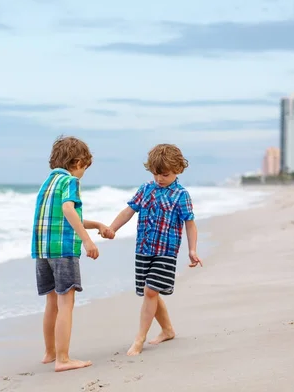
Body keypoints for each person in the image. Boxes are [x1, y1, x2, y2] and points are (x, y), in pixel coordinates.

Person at [108, 143, 203, 356]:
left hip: (166, 251)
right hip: (143, 249)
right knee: (151, 291)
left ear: (178, 169)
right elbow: (129, 211)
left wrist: (192, 250)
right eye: (156, 174)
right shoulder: (146, 189)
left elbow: (190, 223)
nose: (159, 179)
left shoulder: (181, 195)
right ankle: (168, 330)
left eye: (165, 174)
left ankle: (139, 340)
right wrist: (112, 228)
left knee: (151, 291)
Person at [31, 135, 114, 372]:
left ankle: (49, 353)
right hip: (64, 250)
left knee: (52, 302)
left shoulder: (47, 182)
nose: (83, 173)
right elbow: (69, 209)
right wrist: (87, 241)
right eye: (85, 168)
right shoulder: (70, 182)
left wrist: (96, 224)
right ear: (78, 162)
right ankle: (63, 359)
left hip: (42, 250)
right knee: (66, 301)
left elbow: (64, 217)